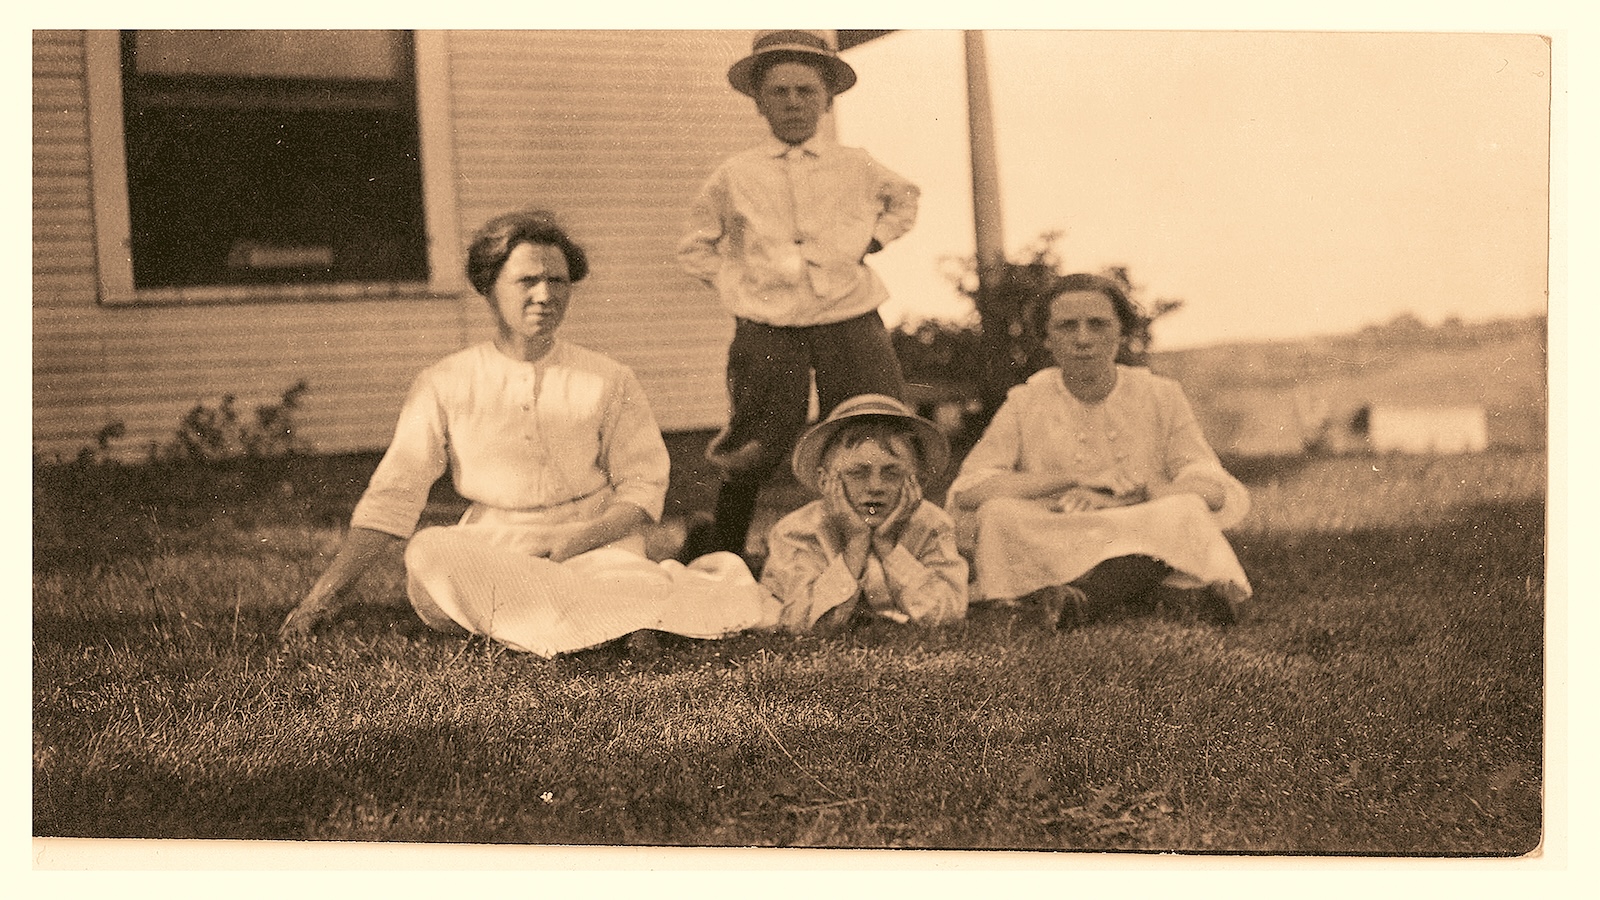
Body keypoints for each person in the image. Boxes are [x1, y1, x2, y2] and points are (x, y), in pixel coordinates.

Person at [279, 210, 777, 655]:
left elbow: (643, 488)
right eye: (527, 281)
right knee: (429, 553)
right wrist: (325, 596)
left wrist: (572, 546)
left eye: (558, 281)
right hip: (496, 546)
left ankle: (572, 618)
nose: (545, 296)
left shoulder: (609, 378)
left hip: (595, 544)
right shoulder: (445, 381)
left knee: (619, 578)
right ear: (488, 287)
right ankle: (613, 620)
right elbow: (394, 495)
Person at [677, 30, 921, 560]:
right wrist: (737, 285)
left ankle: (887, 551)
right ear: (759, 101)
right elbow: (695, 247)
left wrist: (870, 241)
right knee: (756, 435)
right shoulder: (734, 175)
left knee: (871, 421)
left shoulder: (855, 164)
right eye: (780, 92)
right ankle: (724, 549)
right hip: (768, 321)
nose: (793, 103)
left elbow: (904, 201)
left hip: (848, 312)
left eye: (805, 92)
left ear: (827, 100)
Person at [946, 273, 1252, 629]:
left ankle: (1079, 599)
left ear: (1122, 333)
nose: (1083, 339)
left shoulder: (1160, 394)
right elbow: (971, 490)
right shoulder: (1026, 400)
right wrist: (1074, 479)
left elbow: (1211, 488)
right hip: (1059, 526)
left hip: (1140, 521)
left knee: (1184, 508)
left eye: (1098, 325)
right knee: (999, 514)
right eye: (1066, 327)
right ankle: (1163, 594)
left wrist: (1145, 492)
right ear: (1046, 339)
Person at [762, 394, 967, 634]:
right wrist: (856, 543)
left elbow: (948, 618)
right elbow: (801, 622)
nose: (875, 487)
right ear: (825, 480)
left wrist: (887, 546)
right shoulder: (798, 532)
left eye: (892, 474)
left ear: (916, 481)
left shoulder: (932, 525)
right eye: (857, 473)